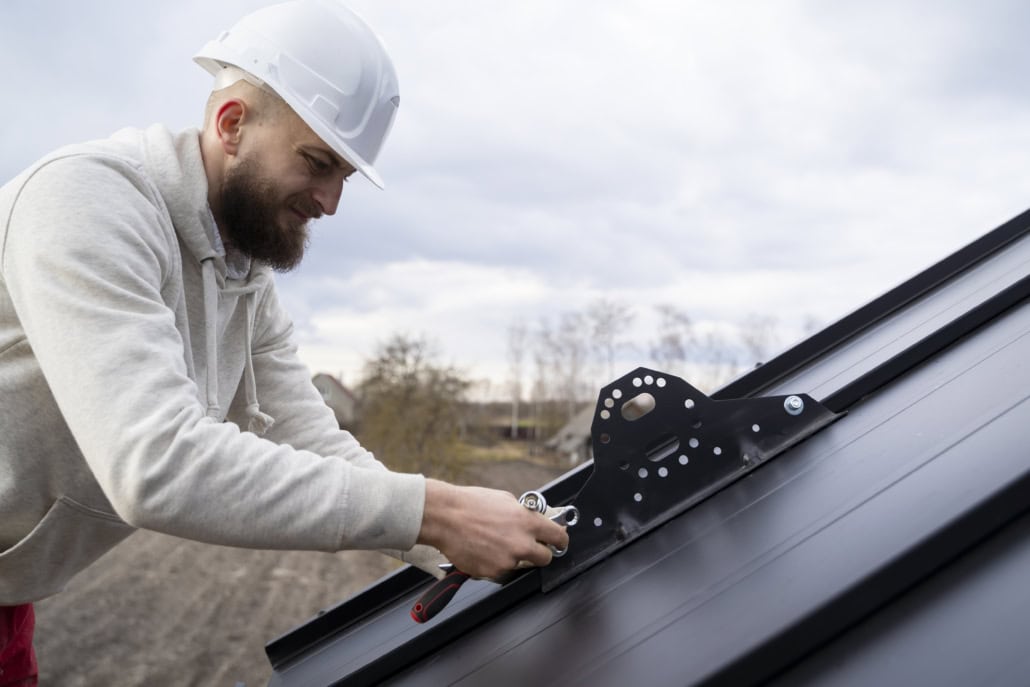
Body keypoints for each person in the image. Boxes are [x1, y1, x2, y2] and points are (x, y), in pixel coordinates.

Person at [0, 1, 567, 682]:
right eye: (317, 162)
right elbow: (154, 462)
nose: (330, 202)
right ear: (231, 123)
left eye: (344, 176)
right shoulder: (88, 202)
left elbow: (309, 434)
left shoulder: (242, 276)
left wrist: (447, 541)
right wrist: (438, 511)